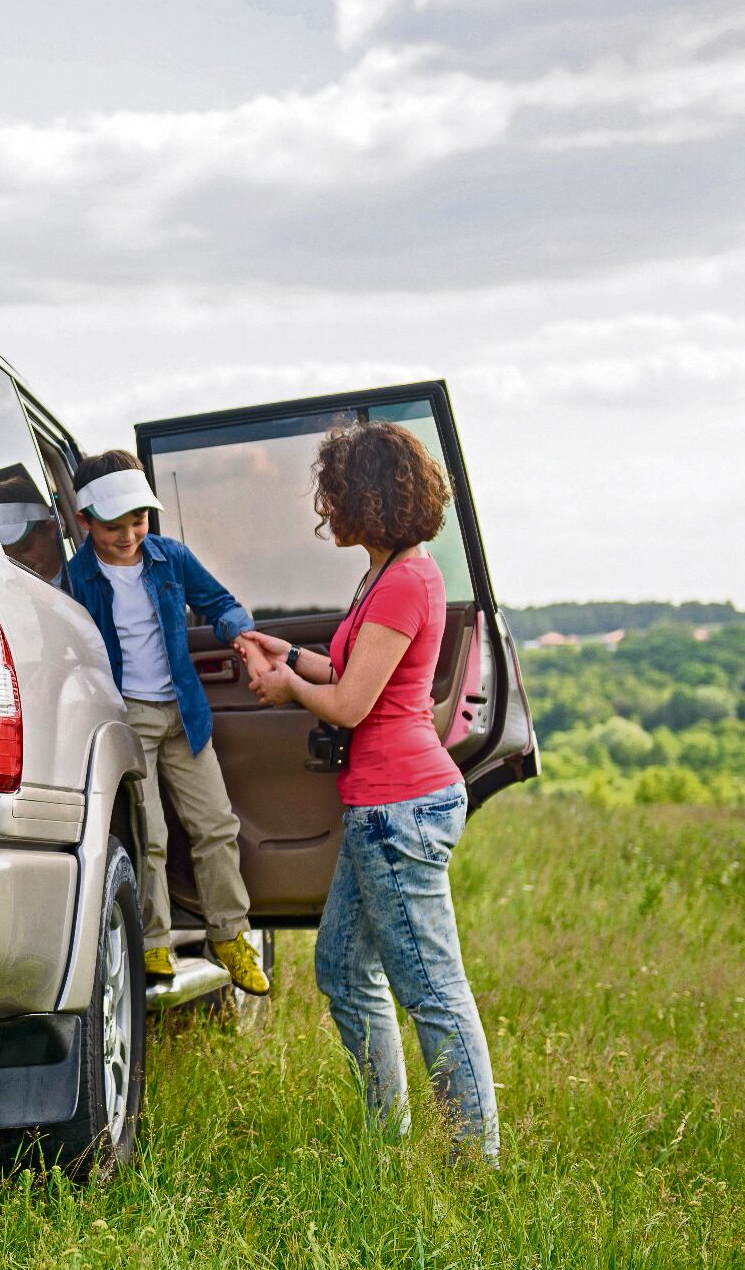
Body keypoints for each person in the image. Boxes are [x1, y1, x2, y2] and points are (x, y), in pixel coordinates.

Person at [237, 421, 499, 1163]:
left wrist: (286, 685)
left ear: (367, 497)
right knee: (343, 971)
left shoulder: (407, 578)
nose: (327, 507)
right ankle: (386, 1136)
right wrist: (286, 653)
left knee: (432, 991)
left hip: (398, 810)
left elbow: (351, 705)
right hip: (382, 806)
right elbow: (353, 673)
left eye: (336, 492)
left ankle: (472, 1164)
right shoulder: (386, 575)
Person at [65, 450, 270, 995]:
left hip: (184, 713)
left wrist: (240, 633)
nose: (130, 534)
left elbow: (219, 601)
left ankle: (229, 934)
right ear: (84, 521)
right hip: (128, 715)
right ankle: (153, 942)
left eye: (139, 520)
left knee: (216, 824)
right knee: (149, 833)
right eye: (114, 526)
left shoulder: (170, 559)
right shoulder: (76, 578)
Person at [0, 472, 70, 590]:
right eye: (4, 556)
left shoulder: (84, 570)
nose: (15, 563)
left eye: (24, 548)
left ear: (50, 528)